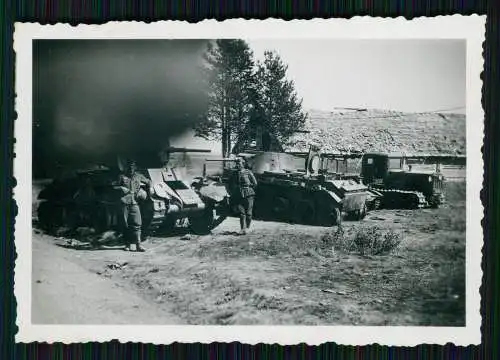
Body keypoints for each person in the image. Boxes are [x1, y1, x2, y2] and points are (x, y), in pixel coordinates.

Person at [114, 159, 152, 252]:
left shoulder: (138, 176)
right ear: (126, 167)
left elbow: (149, 182)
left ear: (135, 167)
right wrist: (121, 188)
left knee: (137, 223)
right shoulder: (122, 177)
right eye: (129, 166)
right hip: (124, 202)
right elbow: (114, 187)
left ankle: (138, 245)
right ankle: (127, 244)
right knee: (125, 224)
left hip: (134, 202)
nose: (131, 168)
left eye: (133, 166)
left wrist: (144, 191)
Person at [230, 158, 258, 235]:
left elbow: (255, 183)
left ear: (243, 164)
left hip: (249, 193)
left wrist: (248, 188)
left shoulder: (248, 172)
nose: (238, 165)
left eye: (239, 163)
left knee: (249, 213)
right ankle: (242, 229)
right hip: (239, 194)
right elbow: (231, 183)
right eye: (237, 164)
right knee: (241, 213)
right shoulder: (235, 173)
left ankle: (247, 228)